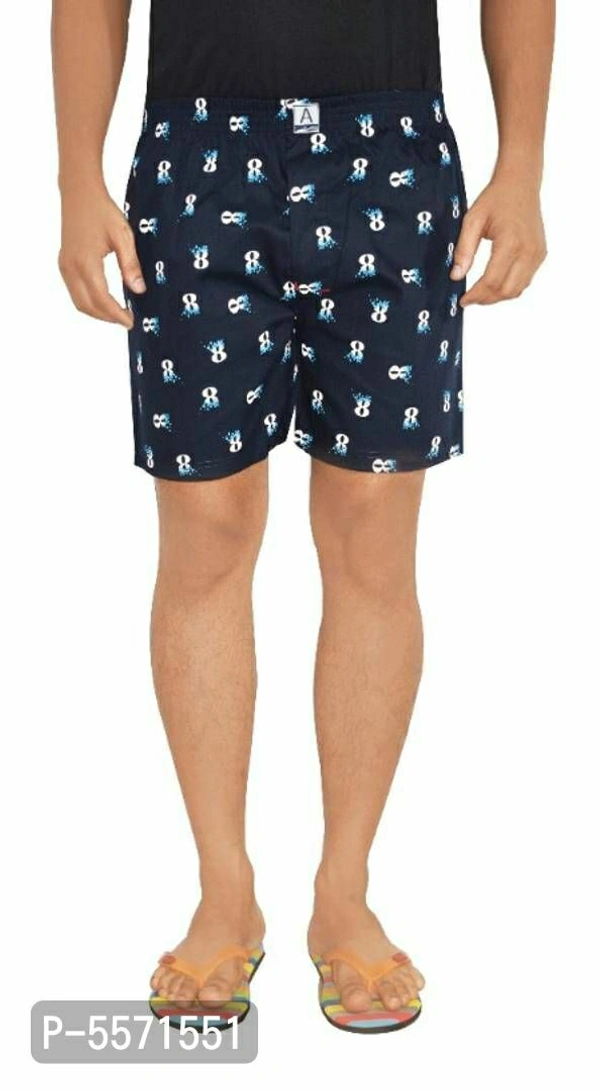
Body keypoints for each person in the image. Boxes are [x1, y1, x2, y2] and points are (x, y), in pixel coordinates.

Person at [52, 0, 553, 1033]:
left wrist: (523, 164)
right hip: (196, 154)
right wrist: (74, 178)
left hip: (393, 152)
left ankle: (344, 889)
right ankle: (224, 889)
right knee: (207, 528)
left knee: (373, 529)